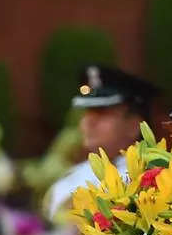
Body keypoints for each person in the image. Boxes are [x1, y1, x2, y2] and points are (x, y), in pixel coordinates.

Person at [44, 64, 157, 220]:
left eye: (102, 113)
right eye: (87, 112)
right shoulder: (69, 180)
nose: (88, 122)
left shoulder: (152, 176)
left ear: (134, 124)